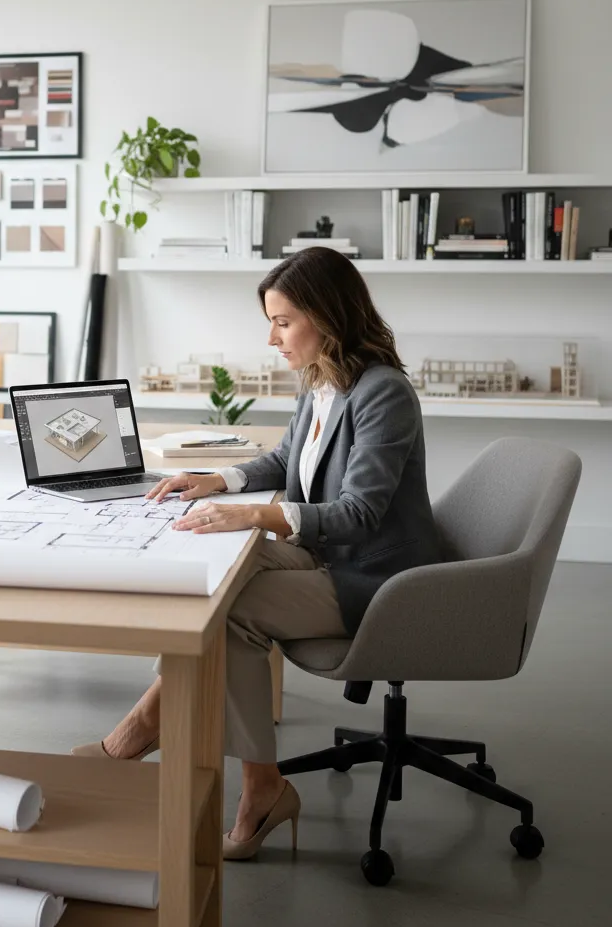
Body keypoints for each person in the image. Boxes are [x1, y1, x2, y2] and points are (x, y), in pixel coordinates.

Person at [72, 246, 442, 860]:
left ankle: (232, 775)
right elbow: (287, 458)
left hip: (373, 578)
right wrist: (219, 481)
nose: (272, 338)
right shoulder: (321, 378)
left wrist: (254, 515)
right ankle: (163, 736)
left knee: (231, 612)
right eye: (271, 322)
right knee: (207, 566)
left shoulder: (384, 394)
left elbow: (358, 514)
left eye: (283, 322)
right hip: (327, 554)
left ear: (329, 316)